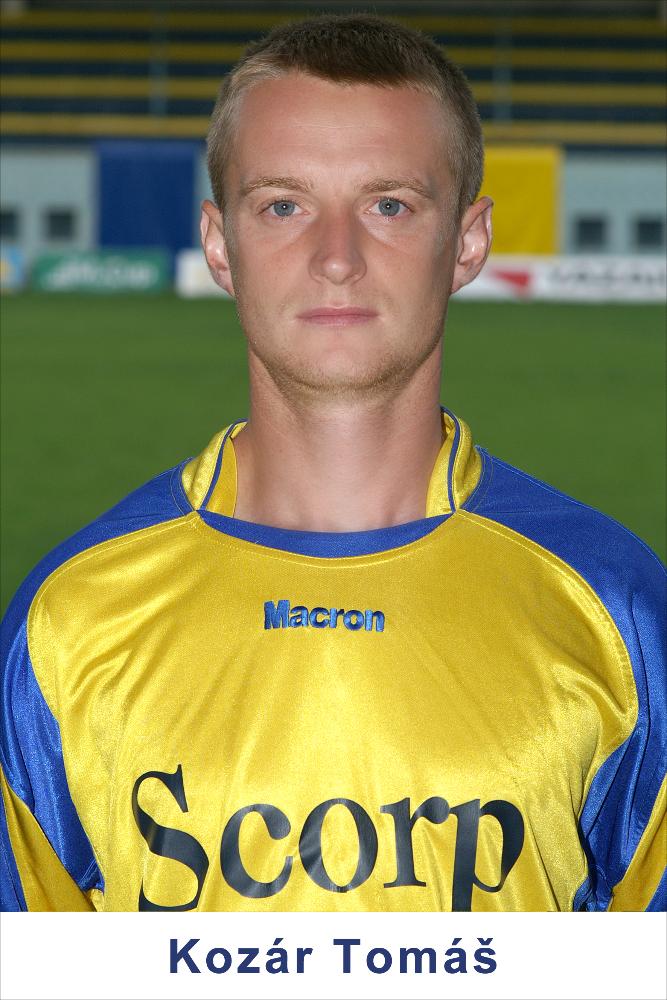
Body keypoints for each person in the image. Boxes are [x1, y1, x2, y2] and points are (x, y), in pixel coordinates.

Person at [1, 13, 664, 914]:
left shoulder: (614, 610)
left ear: (467, 242)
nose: (336, 259)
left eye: (389, 205)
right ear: (219, 244)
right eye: (283, 205)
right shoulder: (71, 618)